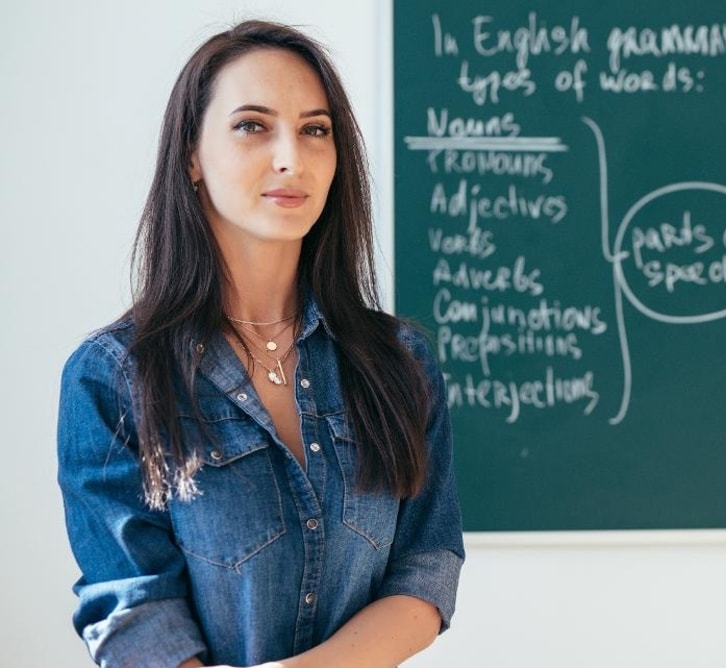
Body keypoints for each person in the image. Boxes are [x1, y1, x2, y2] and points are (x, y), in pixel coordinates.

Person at [57, 19, 464, 668]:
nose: (290, 158)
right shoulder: (112, 378)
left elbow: (427, 567)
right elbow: (133, 613)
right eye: (253, 125)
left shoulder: (401, 363)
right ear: (192, 155)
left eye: (315, 129)